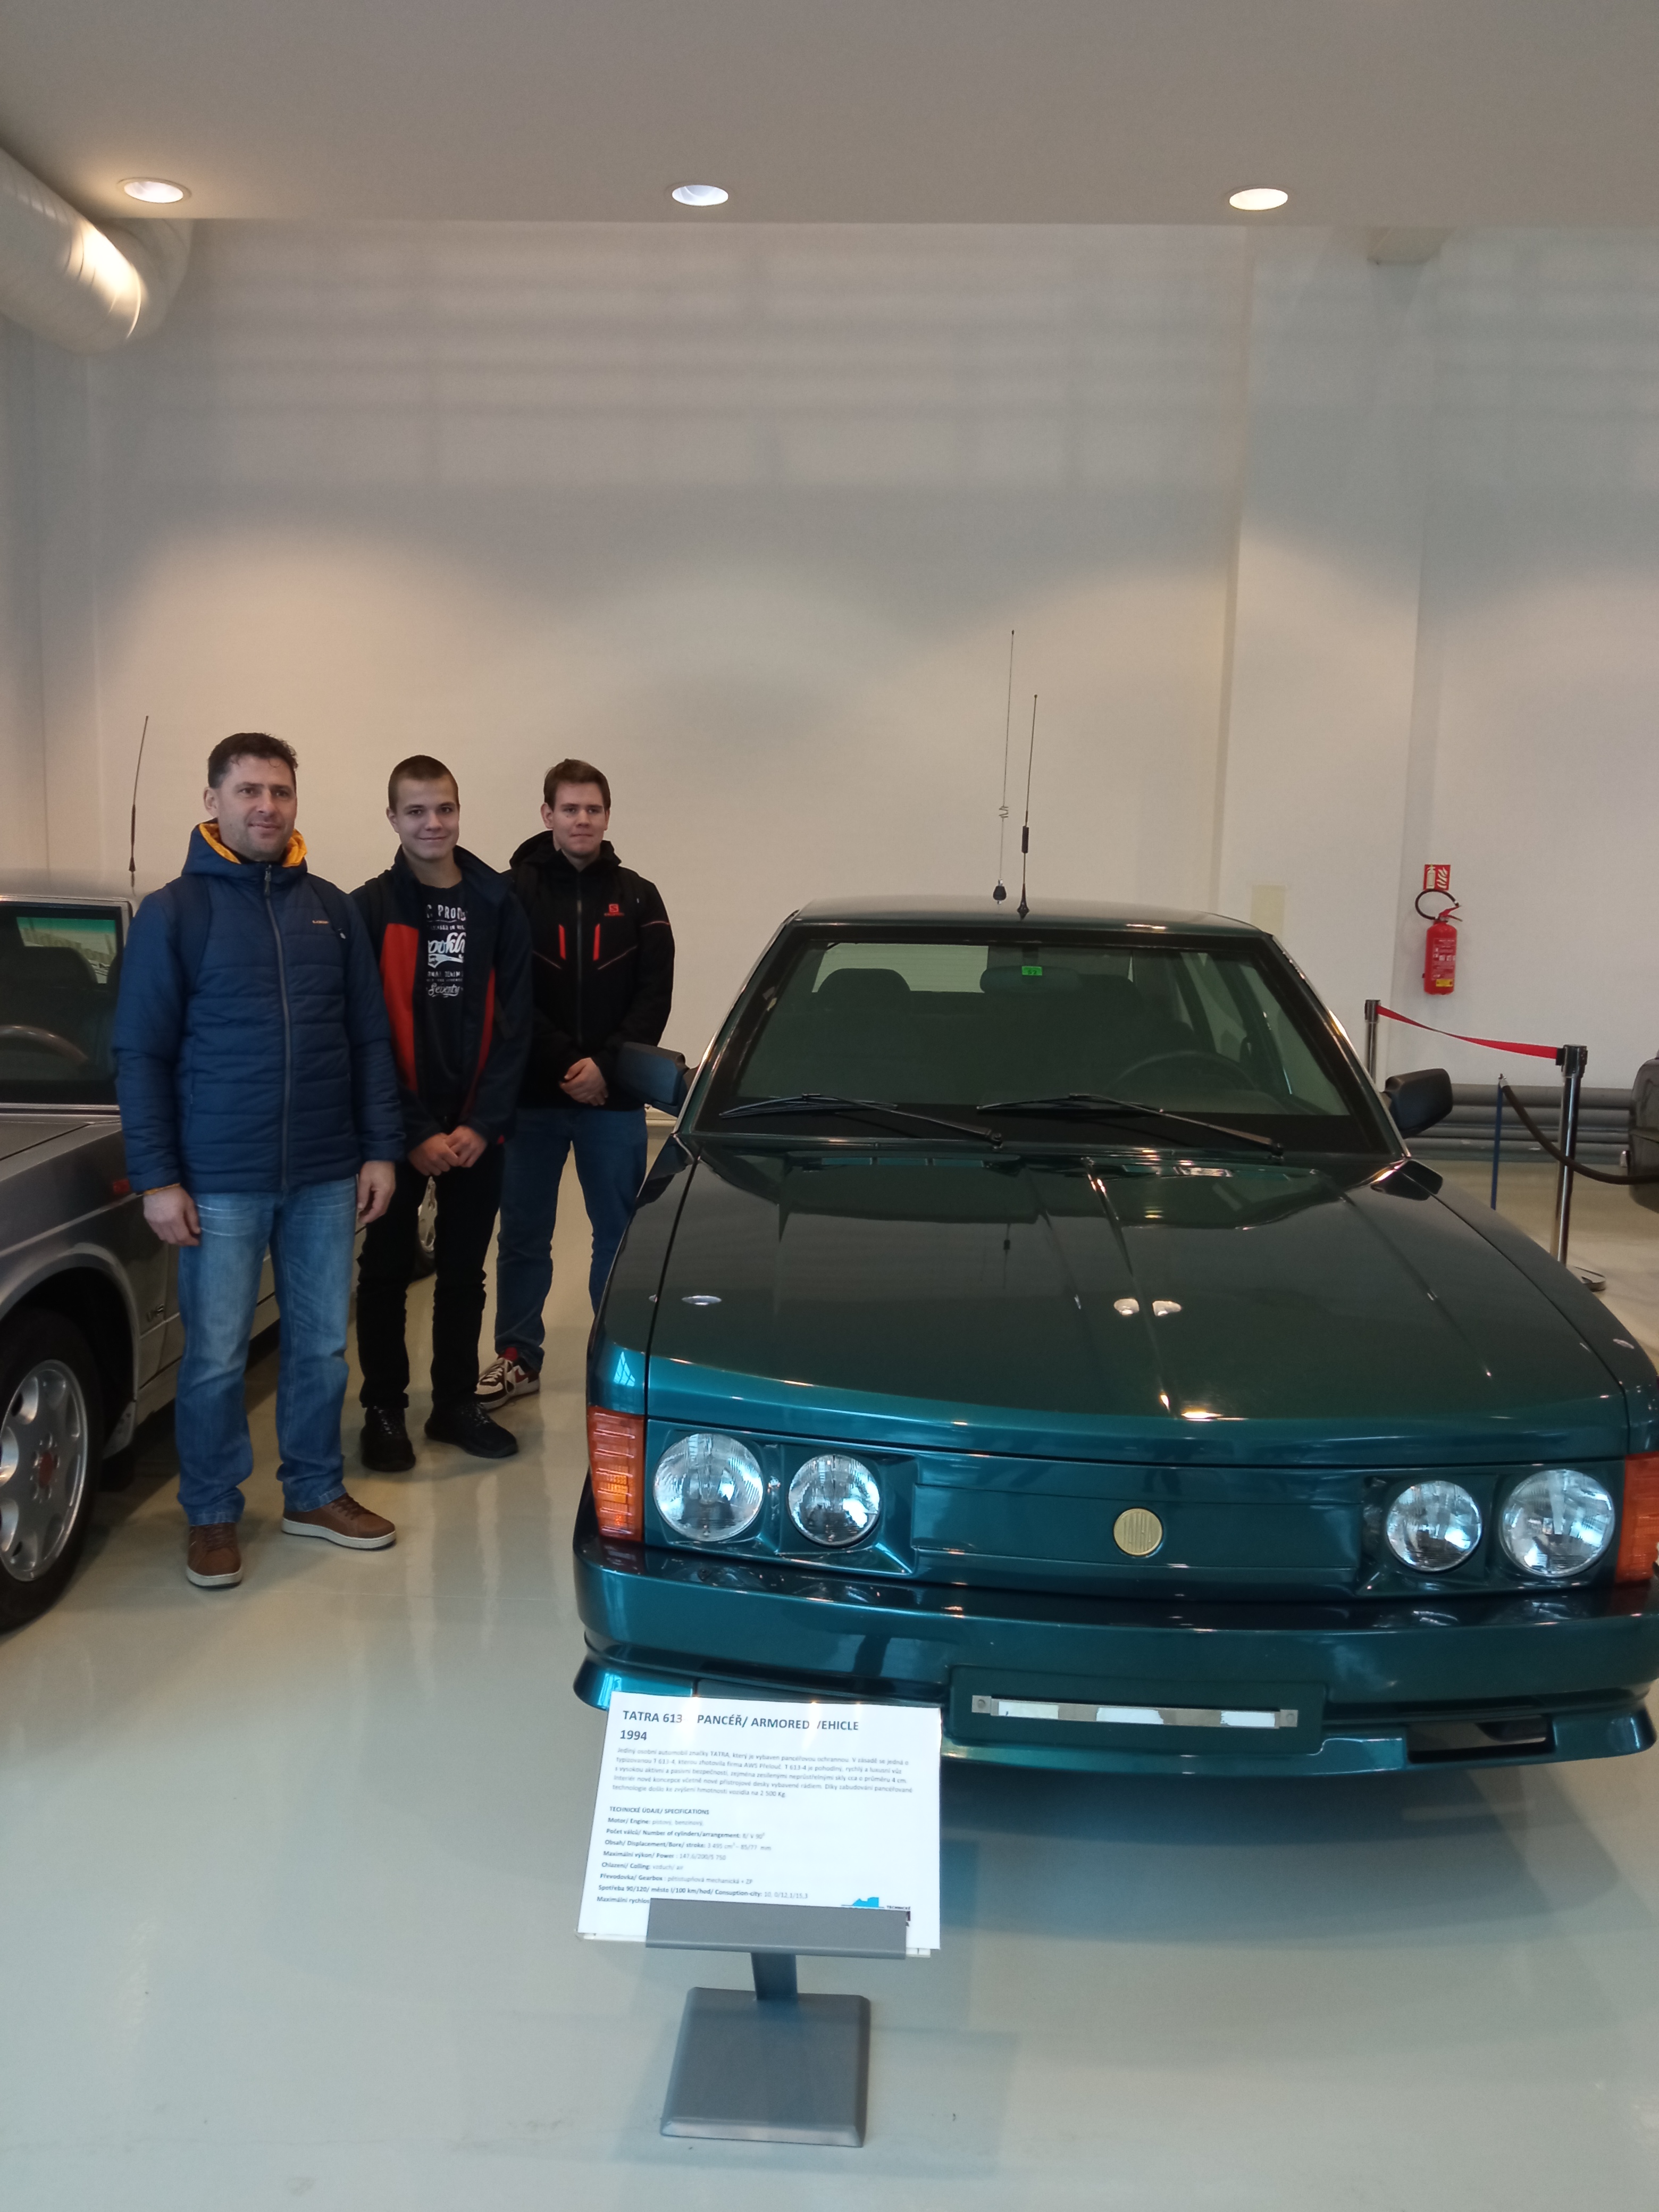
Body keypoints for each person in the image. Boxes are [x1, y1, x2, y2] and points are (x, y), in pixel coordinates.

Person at [113, 733, 405, 1590]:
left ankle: (314, 1491)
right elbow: (140, 1054)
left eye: (280, 791)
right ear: (213, 801)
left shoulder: (331, 910)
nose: (266, 807)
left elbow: (368, 1040)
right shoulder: (175, 913)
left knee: (320, 1348)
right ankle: (211, 1512)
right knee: (214, 1358)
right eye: (248, 791)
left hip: (324, 1172)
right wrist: (157, 1177)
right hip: (219, 1180)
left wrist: (380, 1150)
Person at [351, 756, 532, 1469]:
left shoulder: (498, 903)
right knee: (385, 1273)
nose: (433, 823)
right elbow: (363, 1033)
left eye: (445, 809)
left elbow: (517, 1022)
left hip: (478, 1130)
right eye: (417, 811)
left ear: (460, 811)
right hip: (396, 1130)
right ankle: (384, 1409)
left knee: (464, 1273)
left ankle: (455, 1404)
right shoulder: (369, 908)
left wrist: (482, 1124)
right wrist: (413, 1131)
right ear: (393, 818)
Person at [477, 758, 674, 1405]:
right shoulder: (511, 894)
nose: (582, 819)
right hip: (531, 1098)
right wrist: (568, 1064)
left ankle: (611, 1361)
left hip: (614, 1101)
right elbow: (506, 993)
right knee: (523, 1234)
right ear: (548, 815)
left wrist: (605, 1067)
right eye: (570, 808)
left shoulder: (641, 897)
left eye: (593, 809)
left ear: (608, 816)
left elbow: (653, 996)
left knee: (617, 1234)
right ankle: (517, 1356)